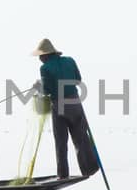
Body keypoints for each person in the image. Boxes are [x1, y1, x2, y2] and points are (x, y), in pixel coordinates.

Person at [32, 38, 99, 180]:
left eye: (40, 56)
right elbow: (78, 80)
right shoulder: (70, 60)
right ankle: (89, 168)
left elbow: (47, 90)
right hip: (75, 104)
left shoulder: (44, 68)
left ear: (45, 55)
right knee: (81, 139)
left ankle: (63, 174)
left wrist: (39, 87)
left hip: (59, 106)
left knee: (61, 142)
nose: (39, 59)